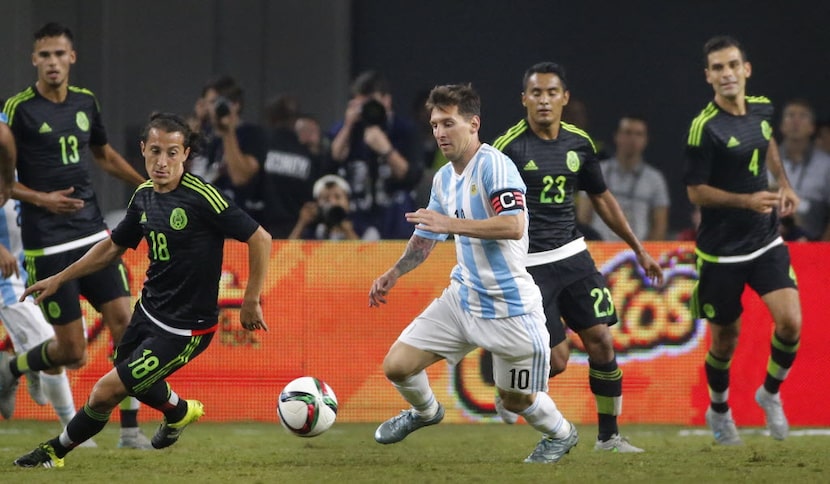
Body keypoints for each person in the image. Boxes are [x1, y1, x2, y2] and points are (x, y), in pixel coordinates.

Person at [13, 112, 271, 468]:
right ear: (142, 150)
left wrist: (251, 299)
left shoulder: (202, 197)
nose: (161, 162)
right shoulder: (144, 195)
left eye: (171, 152)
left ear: (186, 154)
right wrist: (60, 277)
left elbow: (260, 237)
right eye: (154, 151)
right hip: (148, 313)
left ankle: (53, 452)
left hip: (185, 329)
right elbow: (112, 247)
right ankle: (179, 412)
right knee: (127, 373)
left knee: (105, 391)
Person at [369, 83, 578, 464]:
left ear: (473, 124)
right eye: (434, 125)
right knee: (396, 366)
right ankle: (425, 412)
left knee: (516, 400)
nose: (439, 133)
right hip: (462, 300)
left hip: (510, 309)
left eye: (448, 123)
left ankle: (561, 434)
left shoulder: (494, 165)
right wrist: (394, 273)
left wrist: (448, 222)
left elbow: (513, 225)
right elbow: (427, 234)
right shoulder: (444, 178)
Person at [492, 62, 664, 452]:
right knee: (556, 361)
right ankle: (509, 385)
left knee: (602, 340)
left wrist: (637, 248)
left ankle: (609, 437)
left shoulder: (579, 143)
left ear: (564, 98)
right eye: (536, 93)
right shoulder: (508, 149)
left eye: (552, 92)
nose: (544, 100)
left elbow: (601, 198)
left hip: (573, 256)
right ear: (524, 100)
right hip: (529, 266)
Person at [0, 22, 150, 448]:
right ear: (34, 60)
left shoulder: (86, 101)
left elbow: (102, 154)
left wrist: (146, 185)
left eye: (59, 54)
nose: (52, 62)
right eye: (44, 55)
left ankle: (130, 430)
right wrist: (42, 199)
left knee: (126, 325)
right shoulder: (17, 109)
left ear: (72, 58)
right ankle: (9, 370)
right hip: (46, 241)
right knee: (71, 352)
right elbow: (3, 182)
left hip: (92, 233)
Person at [684, 36, 801, 445]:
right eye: (718, 68)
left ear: (746, 69)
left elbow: (766, 140)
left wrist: (782, 184)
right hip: (720, 252)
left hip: (765, 239)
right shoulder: (704, 128)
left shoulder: (764, 109)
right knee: (724, 340)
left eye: (733, 65)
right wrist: (746, 199)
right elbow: (695, 191)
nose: (727, 73)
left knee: (790, 323)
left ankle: (769, 394)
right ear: (708, 77)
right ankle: (718, 409)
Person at [329, 70, 424, 239]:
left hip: (396, 218)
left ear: (386, 100)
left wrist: (386, 150)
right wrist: (348, 126)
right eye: (362, 104)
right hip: (356, 219)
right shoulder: (348, 129)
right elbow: (331, 162)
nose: (367, 110)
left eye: (372, 104)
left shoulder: (405, 130)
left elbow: (412, 176)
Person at [188, 75, 268, 226]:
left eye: (217, 102)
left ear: (235, 105)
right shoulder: (204, 136)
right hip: (202, 224)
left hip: (240, 225)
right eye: (209, 103)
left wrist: (227, 131)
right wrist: (195, 127)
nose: (213, 108)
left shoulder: (252, 134)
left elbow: (240, 178)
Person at [577, 115, 670, 241]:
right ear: (617, 136)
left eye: (639, 134)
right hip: (600, 251)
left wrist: (646, 254)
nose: (632, 139)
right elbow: (583, 218)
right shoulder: (596, 171)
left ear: (645, 140)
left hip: (638, 254)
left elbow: (660, 227)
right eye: (627, 133)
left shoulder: (655, 179)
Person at [258, 95, 321, 238]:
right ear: (296, 120)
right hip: (300, 228)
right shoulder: (306, 151)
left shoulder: (262, 145)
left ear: (270, 118)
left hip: (265, 228)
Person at [772, 99, 830, 240]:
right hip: (772, 238)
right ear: (782, 126)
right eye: (790, 116)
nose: (795, 122)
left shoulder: (826, 164)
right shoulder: (767, 160)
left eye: (803, 116)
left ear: (811, 127)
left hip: (812, 241)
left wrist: (823, 248)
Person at [288, 174, 379, 241]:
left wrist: (347, 230)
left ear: (348, 201)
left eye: (337, 197)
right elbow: (286, 258)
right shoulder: (314, 232)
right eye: (326, 199)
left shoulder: (366, 231)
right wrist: (302, 223)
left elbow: (366, 262)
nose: (332, 203)